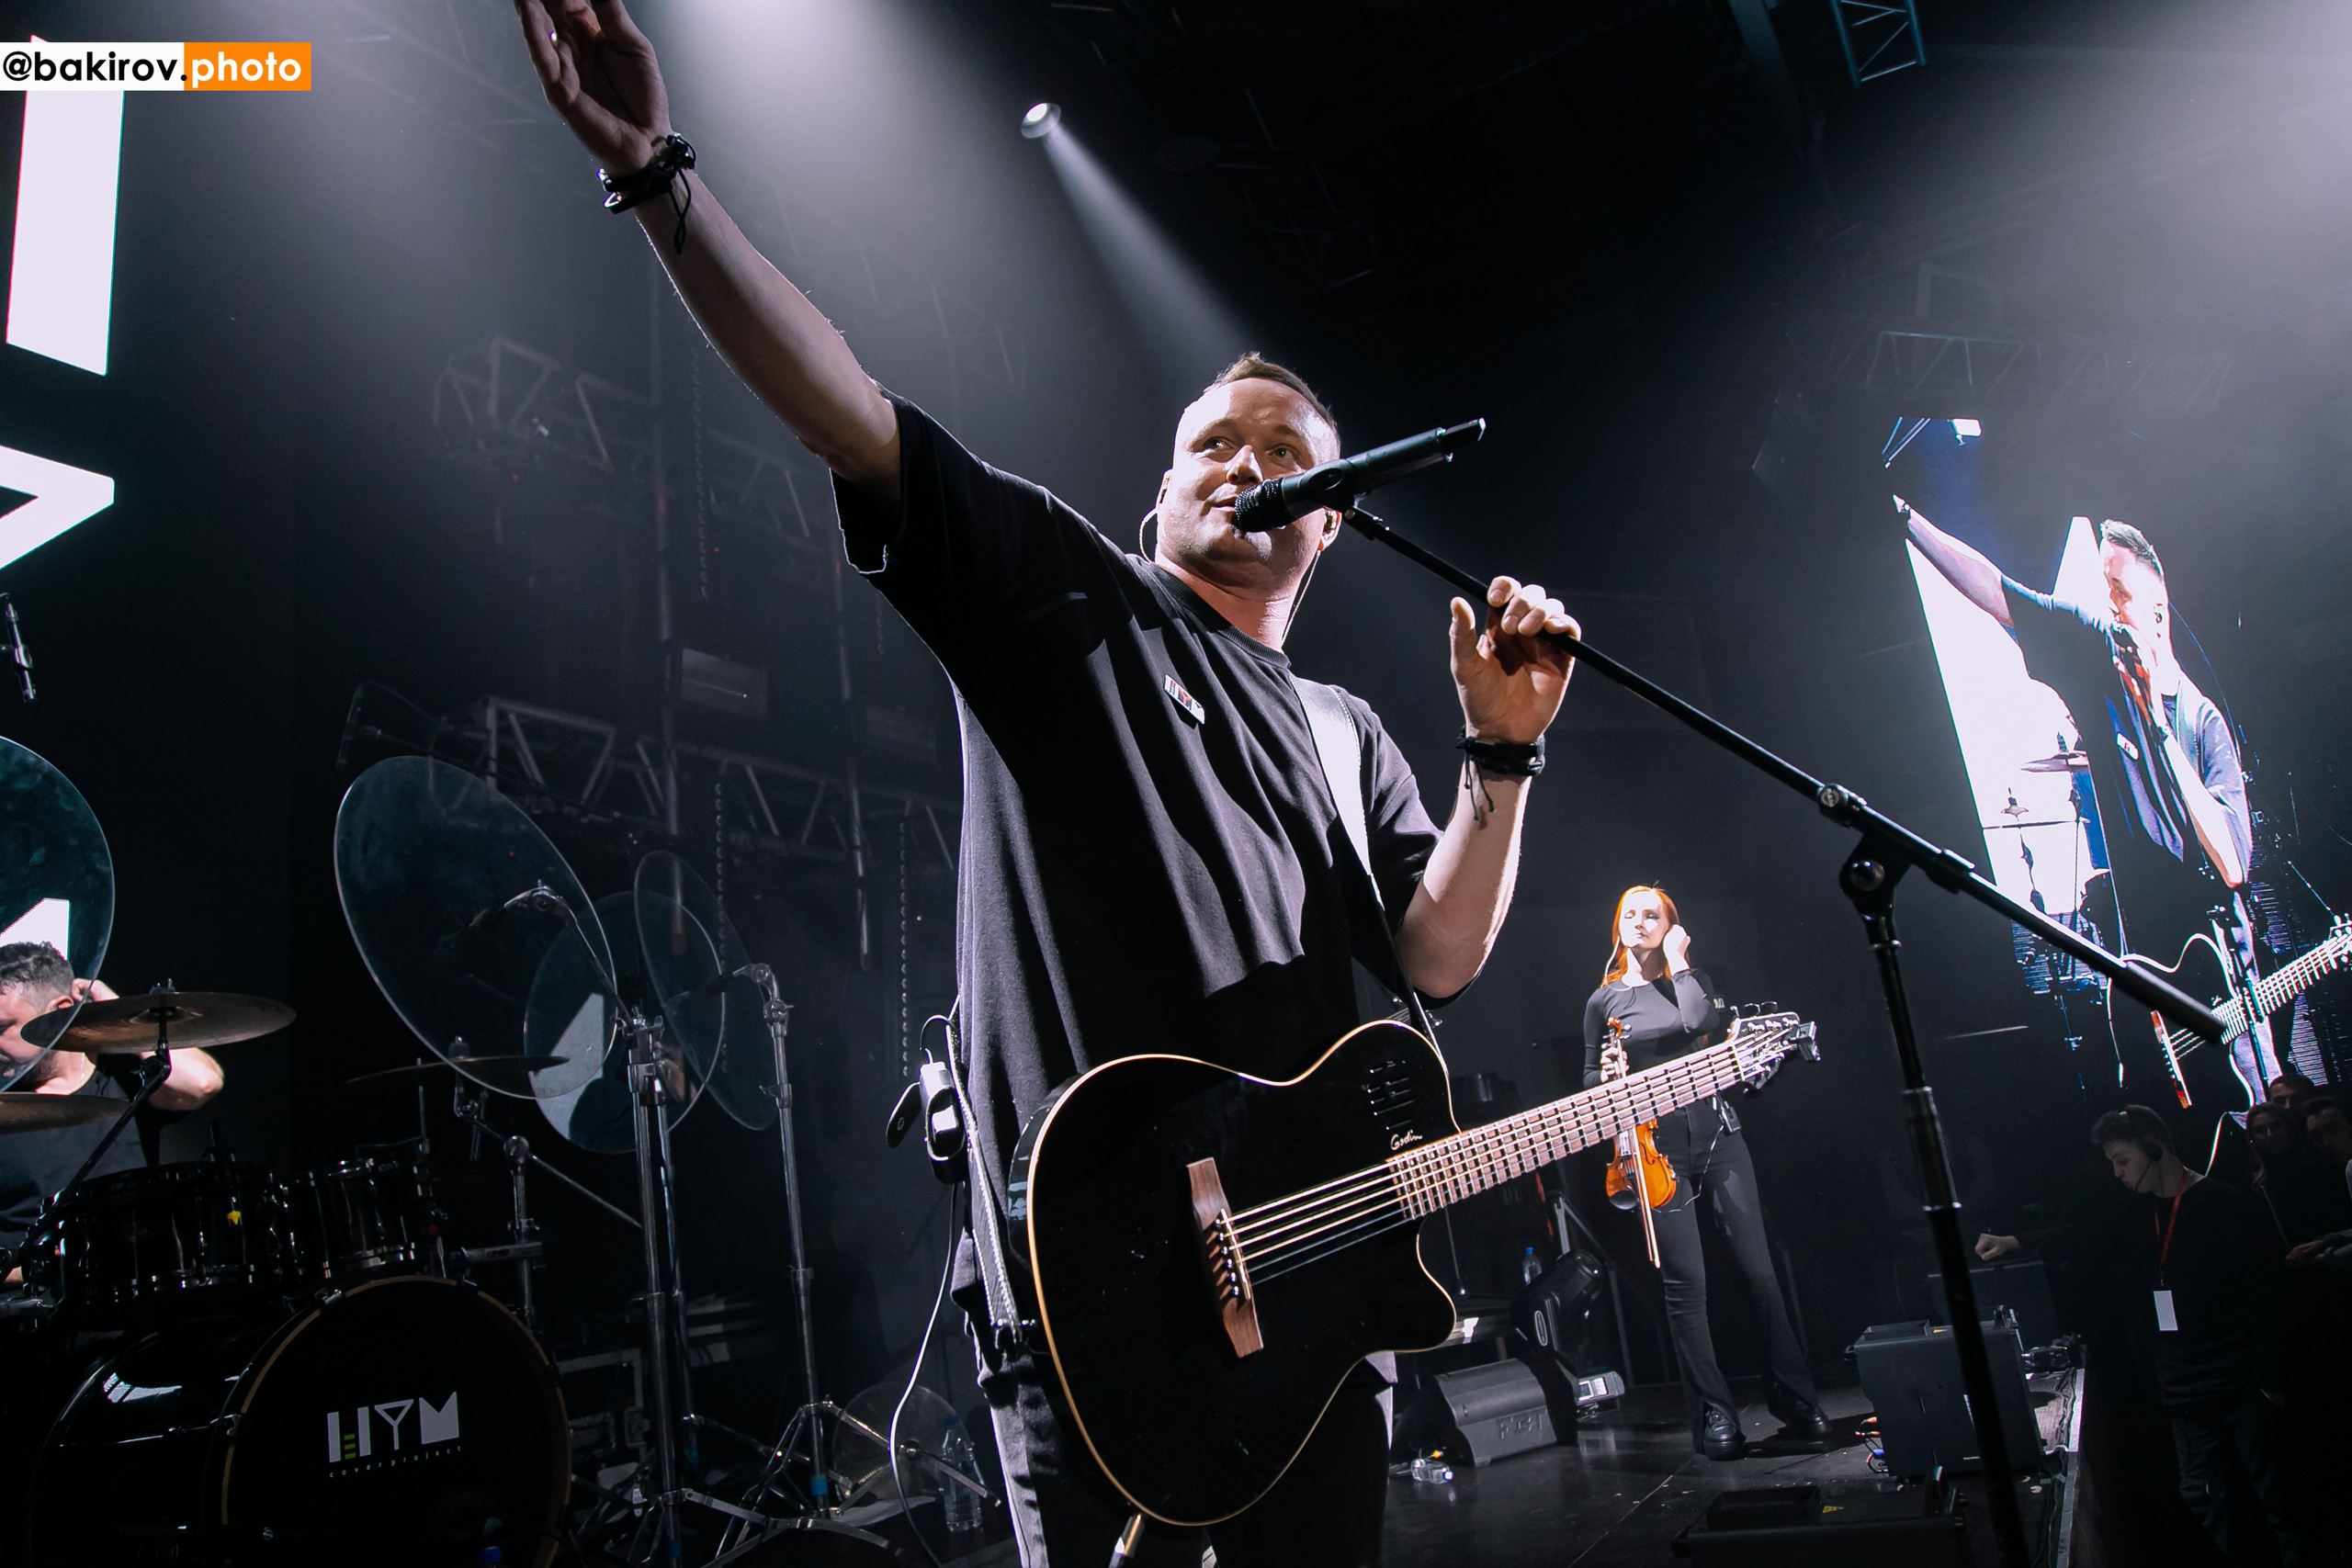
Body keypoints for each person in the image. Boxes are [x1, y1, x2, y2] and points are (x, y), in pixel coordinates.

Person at [512, 6, 1580, 1562]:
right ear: (1165, 488)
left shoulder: (1347, 729)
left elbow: (1440, 955)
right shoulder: (1067, 592)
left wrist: (1501, 751)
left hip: (1298, 1299)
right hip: (1090, 1301)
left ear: (1330, 520)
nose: (1245, 460)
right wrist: (663, 178)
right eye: (1216, 438)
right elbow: (848, 412)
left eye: (1283, 447)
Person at [1902, 503, 2273, 1104]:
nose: (2111, 606)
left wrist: (2155, 724)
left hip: (2225, 987)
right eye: (2106, 590)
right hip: (2151, 989)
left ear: (2157, 605)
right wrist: (1907, 520)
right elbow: (2001, 592)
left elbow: (2231, 865)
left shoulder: (2203, 725)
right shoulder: (2100, 664)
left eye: (2119, 591)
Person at [1978, 1106, 2300, 1565]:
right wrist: (2016, 1241)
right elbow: (2085, 1233)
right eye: (2111, 1163)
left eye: (2123, 1160)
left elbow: (2265, 1299)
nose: (2118, 1173)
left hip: (2241, 1381)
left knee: (2278, 1499)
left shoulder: (2224, 1204)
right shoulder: (2139, 1211)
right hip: (2185, 1384)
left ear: (2154, 1148)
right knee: (2202, 1496)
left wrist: (2271, 1380)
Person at [1580, 886, 1824, 1461]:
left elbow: (1698, 1021)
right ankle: (1715, 1415)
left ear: (1671, 926)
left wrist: (1681, 961)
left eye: (1653, 915)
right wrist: (1608, 1074)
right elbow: (1588, 1082)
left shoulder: (1694, 980)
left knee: (1759, 1274)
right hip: (1655, 1148)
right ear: (1617, 925)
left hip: (1718, 1133)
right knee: (1686, 1284)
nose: (1639, 922)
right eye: (1630, 914)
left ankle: (1795, 1398)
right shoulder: (1604, 1000)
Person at [0, 942, 225, 1260]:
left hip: (135, 1293)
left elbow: (202, 1083)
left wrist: (119, 1013)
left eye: (2, 1028)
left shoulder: (126, 1080)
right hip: (31, 1302)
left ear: (61, 1010)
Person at [2247, 1100, 2352, 1247]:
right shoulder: (2255, 1184)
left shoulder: (2324, 1164)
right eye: (2259, 1130)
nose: (2269, 1135)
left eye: (2276, 1126)